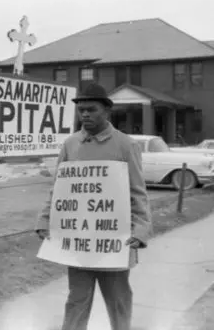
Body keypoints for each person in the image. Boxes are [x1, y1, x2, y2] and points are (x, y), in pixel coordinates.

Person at [35, 83, 152, 330]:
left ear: (107, 112)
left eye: (91, 109)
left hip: (114, 240)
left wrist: (140, 231)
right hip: (79, 241)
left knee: (118, 300)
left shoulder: (125, 145)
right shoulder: (70, 144)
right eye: (81, 110)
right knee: (77, 299)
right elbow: (59, 187)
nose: (85, 114)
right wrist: (45, 220)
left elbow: (138, 192)